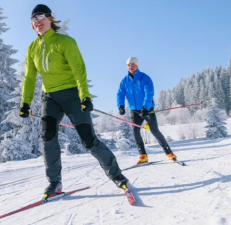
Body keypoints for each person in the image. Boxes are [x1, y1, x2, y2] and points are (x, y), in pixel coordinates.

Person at [19, 4, 129, 198]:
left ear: (50, 19)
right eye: (33, 18)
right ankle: (55, 183)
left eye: (41, 16)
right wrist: (25, 103)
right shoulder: (32, 48)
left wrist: (85, 95)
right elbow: (29, 78)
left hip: (72, 95)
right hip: (50, 98)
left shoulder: (65, 42)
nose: (37, 21)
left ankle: (117, 175)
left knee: (88, 140)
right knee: (48, 139)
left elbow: (79, 70)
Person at [117, 57, 177, 164]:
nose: (131, 66)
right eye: (129, 65)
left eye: (133, 64)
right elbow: (120, 94)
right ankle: (143, 156)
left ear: (137, 65)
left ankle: (169, 153)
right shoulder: (124, 81)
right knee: (135, 132)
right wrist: (121, 106)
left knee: (154, 130)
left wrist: (146, 107)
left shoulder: (144, 78)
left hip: (147, 109)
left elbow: (149, 93)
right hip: (134, 111)